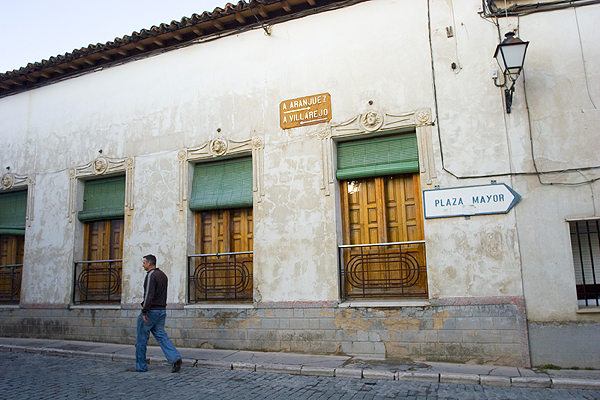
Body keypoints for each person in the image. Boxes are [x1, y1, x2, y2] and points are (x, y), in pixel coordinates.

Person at [135, 254, 182, 373]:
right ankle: (175, 358)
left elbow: (148, 295)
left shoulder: (151, 275)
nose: (143, 265)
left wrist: (144, 311)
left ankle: (140, 366)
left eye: (144, 262)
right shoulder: (163, 275)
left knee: (141, 339)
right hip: (162, 310)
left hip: (151, 310)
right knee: (161, 336)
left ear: (149, 263)